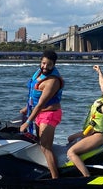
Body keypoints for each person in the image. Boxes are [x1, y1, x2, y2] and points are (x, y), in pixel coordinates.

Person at [19, 50, 63, 179]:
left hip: (50, 114)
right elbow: (35, 99)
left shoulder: (53, 81)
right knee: (39, 143)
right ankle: (45, 171)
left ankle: (56, 179)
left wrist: (27, 122)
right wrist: (25, 109)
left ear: (53, 65)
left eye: (48, 65)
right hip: (38, 113)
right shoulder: (39, 73)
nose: (44, 67)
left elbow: (41, 104)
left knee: (45, 147)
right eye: (43, 63)